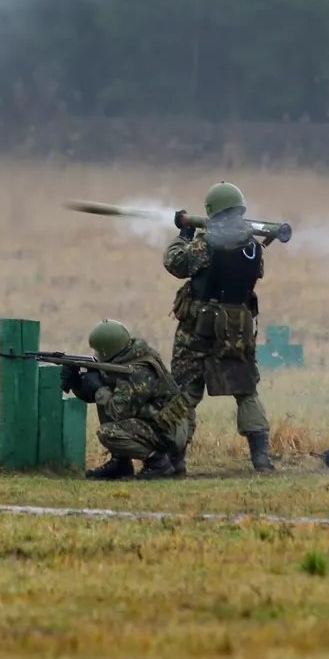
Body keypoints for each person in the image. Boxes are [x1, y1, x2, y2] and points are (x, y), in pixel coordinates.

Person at [162, 181, 274, 472]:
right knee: (246, 388)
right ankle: (261, 457)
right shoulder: (253, 246)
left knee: (185, 391)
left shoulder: (206, 243)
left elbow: (175, 263)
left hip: (199, 327)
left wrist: (183, 233)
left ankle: (175, 459)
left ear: (211, 210)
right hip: (237, 327)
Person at [61, 319, 192, 480]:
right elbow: (100, 396)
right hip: (161, 424)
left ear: (107, 349)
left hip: (168, 430)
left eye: (98, 352)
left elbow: (117, 411)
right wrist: (77, 383)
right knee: (107, 396)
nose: (96, 355)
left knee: (108, 433)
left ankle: (158, 464)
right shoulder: (128, 359)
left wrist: (99, 388)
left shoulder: (137, 371)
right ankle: (120, 463)